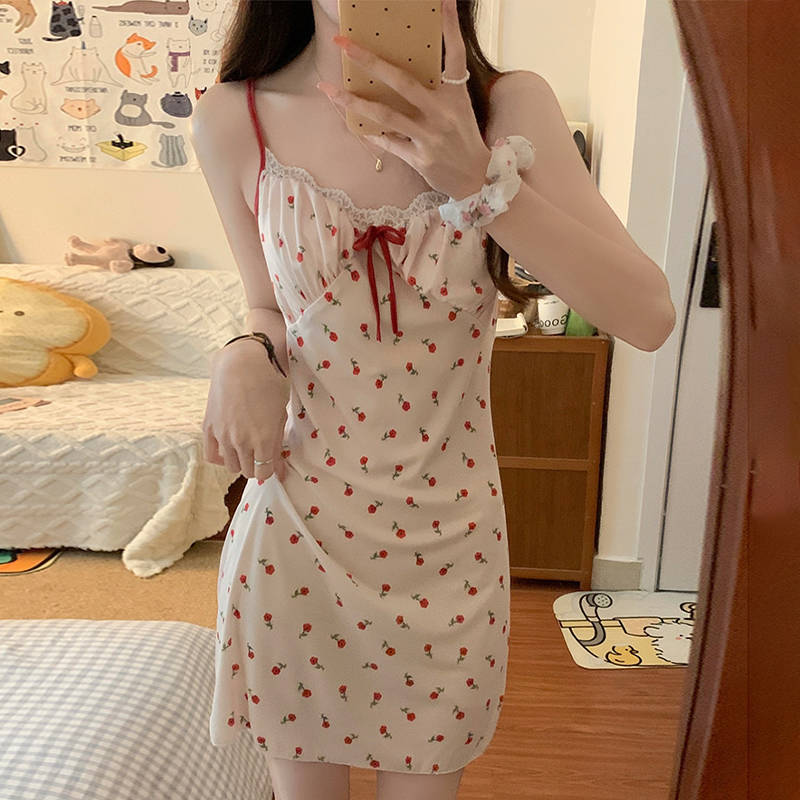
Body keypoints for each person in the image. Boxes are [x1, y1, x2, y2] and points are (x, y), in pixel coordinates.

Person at [191, 2, 676, 798]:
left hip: (447, 546)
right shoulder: (233, 117)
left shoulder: (509, 108)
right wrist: (242, 354)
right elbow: (266, 307)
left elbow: (648, 317)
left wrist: (477, 179)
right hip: (298, 534)